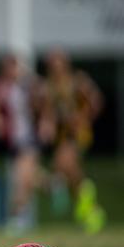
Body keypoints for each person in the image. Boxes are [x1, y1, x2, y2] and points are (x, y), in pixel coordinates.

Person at [41, 48, 105, 234]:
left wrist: (83, 117)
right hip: (63, 135)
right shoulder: (50, 86)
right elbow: (49, 113)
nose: (55, 67)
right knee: (68, 171)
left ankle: (75, 192)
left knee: (61, 163)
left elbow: (96, 100)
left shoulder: (78, 80)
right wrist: (48, 125)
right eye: (52, 64)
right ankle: (91, 207)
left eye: (57, 63)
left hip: (78, 133)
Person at [0, 54, 47, 234]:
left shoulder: (30, 85)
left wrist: (45, 125)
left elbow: (45, 105)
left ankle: (17, 218)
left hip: (30, 138)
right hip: (14, 141)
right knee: (30, 177)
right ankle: (54, 184)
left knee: (21, 178)